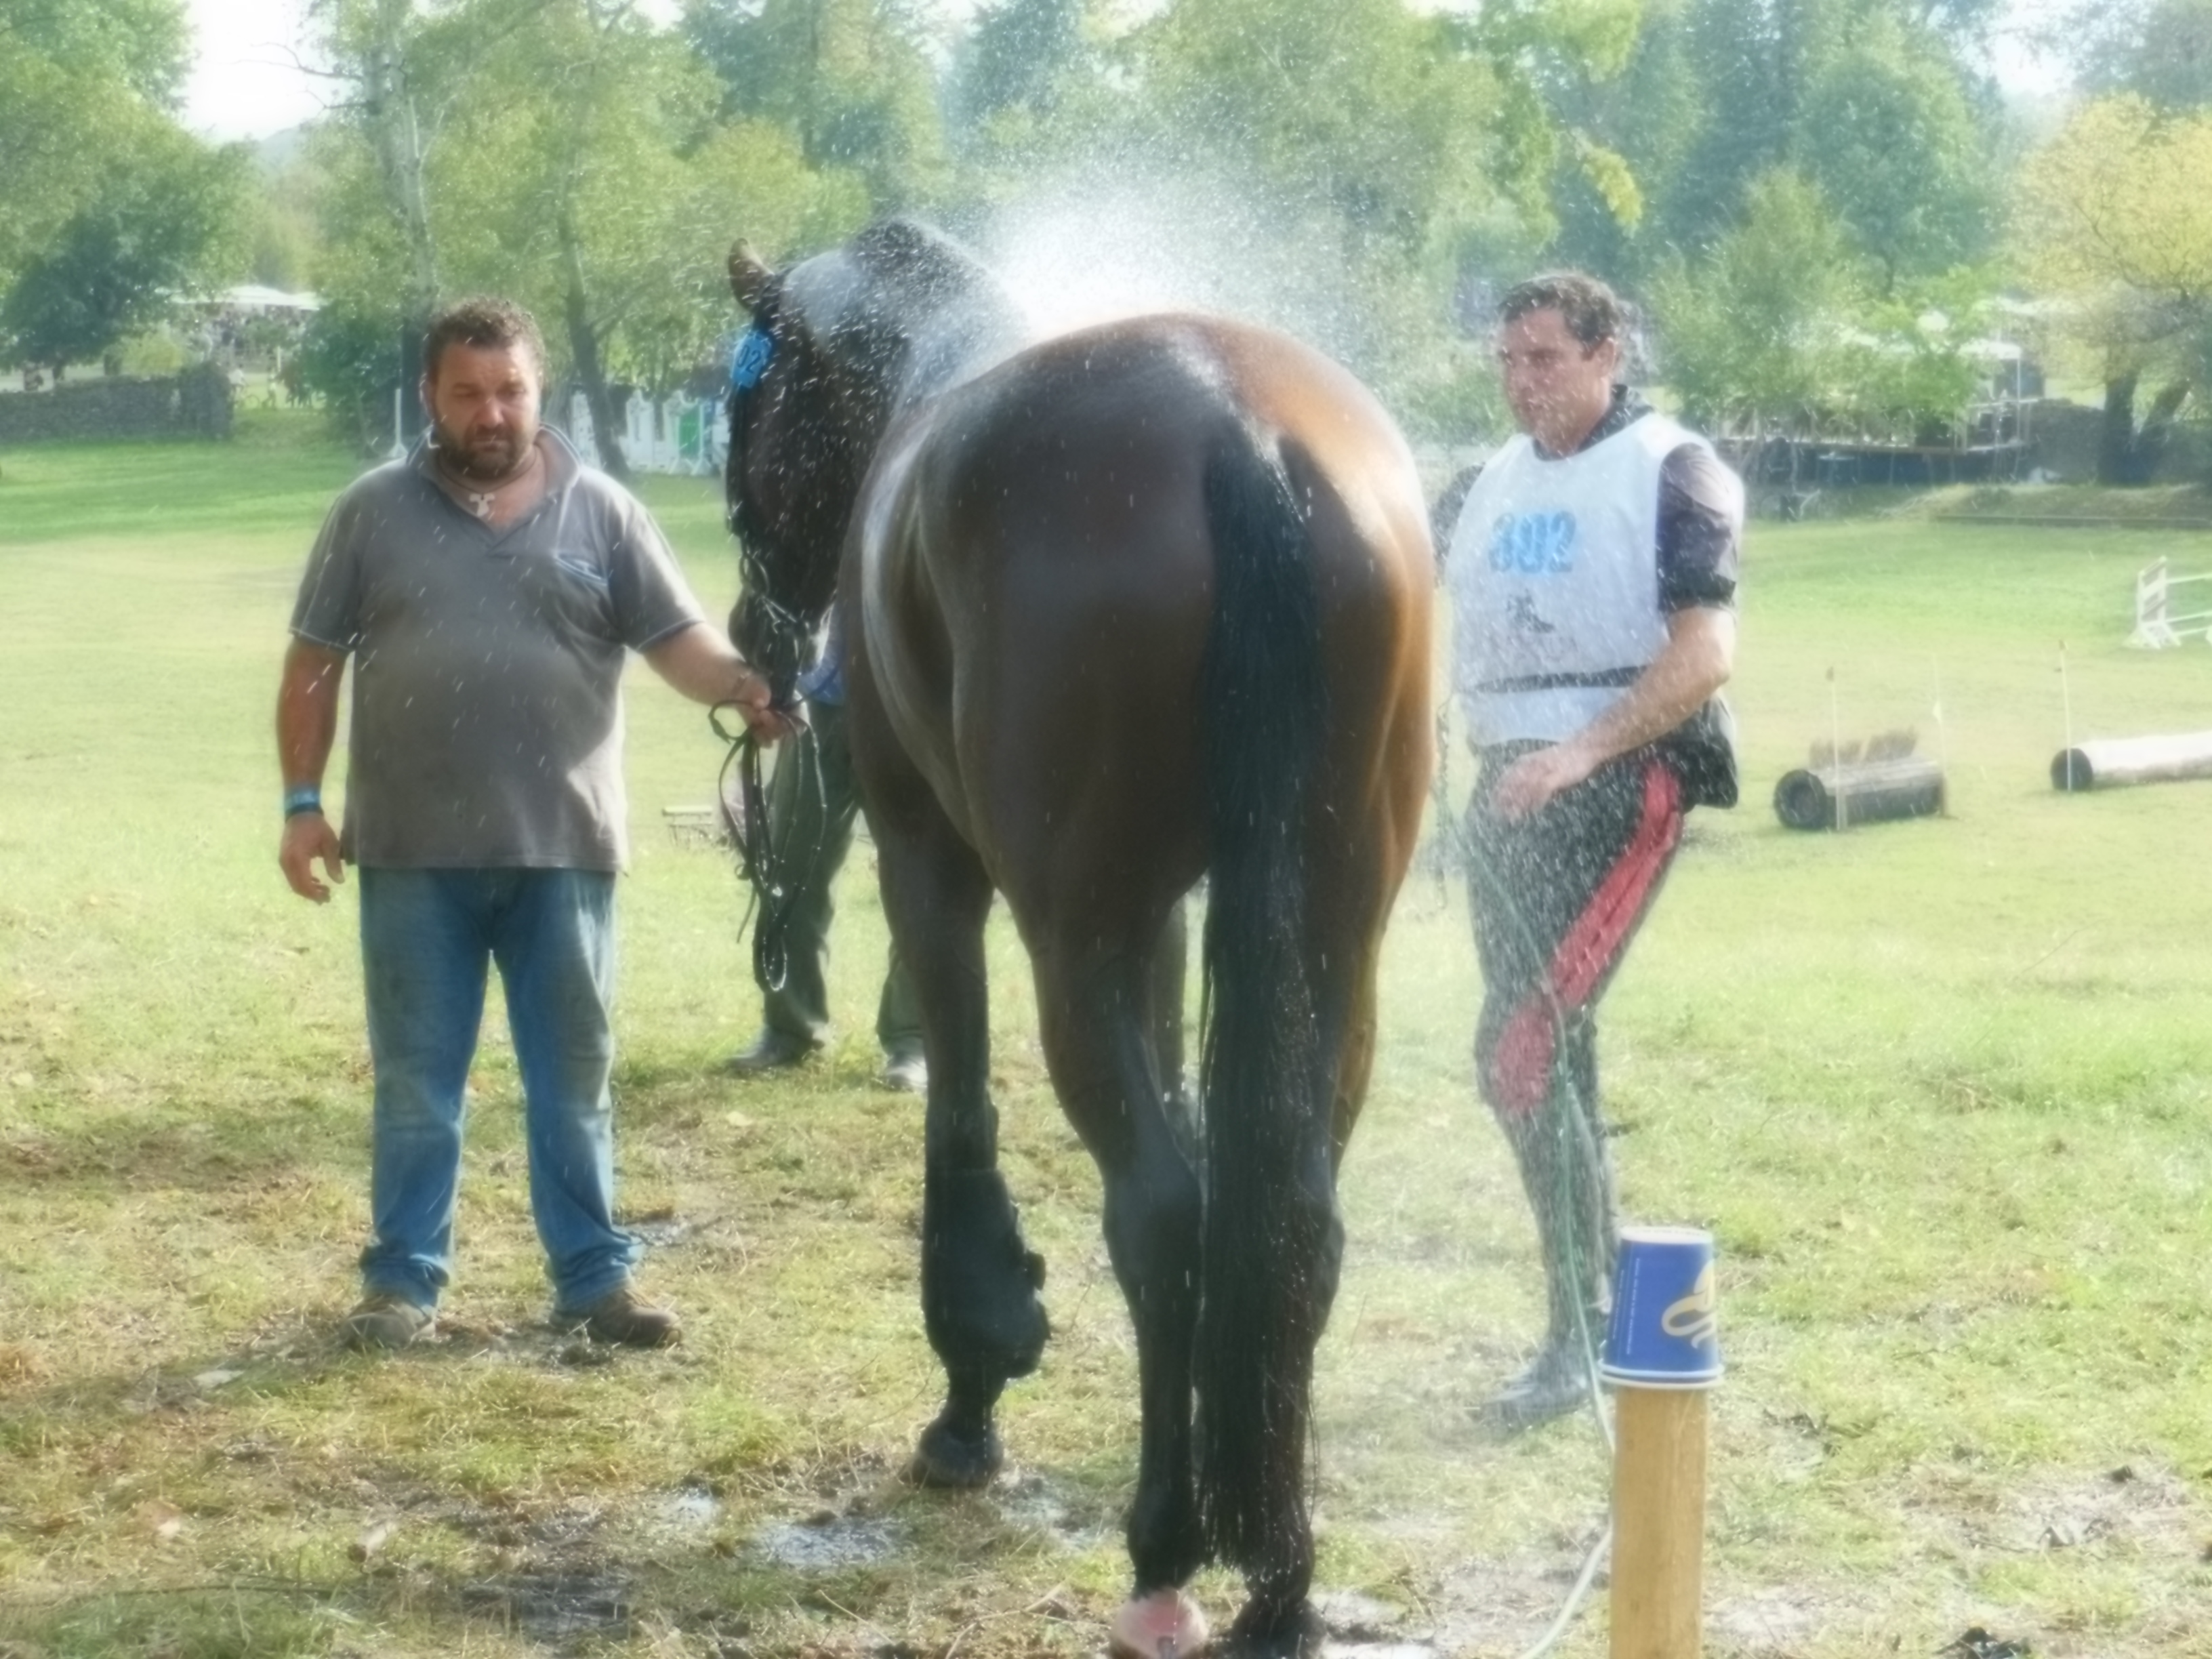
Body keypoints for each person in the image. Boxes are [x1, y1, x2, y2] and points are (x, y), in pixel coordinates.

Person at [276, 296, 792, 1353]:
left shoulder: (604, 511)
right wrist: (300, 805)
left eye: (508, 389)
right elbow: (311, 666)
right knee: (419, 1083)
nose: (491, 412)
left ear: (537, 389)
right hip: (413, 855)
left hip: (565, 849)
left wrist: (740, 683)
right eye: (467, 392)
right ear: (432, 397)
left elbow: (676, 642)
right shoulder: (370, 513)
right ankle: (402, 1286)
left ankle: (596, 1284)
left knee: (575, 1080)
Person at [1443, 271, 1741, 1429]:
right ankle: (1615, 1317)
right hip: (1502, 792)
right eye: (1508, 362)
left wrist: (1580, 755)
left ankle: (1575, 1338)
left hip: (1624, 785)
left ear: (1607, 352)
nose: (1524, 384)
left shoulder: (1676, 467)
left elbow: (1704, 654)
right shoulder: (1486, 486)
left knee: (1517, 1053)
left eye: (1547, 361)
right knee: (1554, 1059)